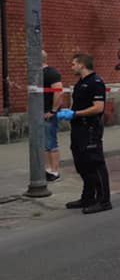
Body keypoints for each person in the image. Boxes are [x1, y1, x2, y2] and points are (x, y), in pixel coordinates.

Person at [57, 53, 111, 214]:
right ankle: (88, 197)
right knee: (82, 164)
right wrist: (70, 112)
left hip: (90, 128)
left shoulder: (96, 82)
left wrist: (76, 114)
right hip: (78, 128)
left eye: (73, 64)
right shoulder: (81, 83)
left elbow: (98, 107)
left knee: (95, 163)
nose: (71, 66)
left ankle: (104, 200)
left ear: (82, 65)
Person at [41, 50, 64, 182]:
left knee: (51, 142)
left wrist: (53, 111)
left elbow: (58, 92)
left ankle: (55, 172)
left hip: (48, 113)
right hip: (39, 113)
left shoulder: (51, 73)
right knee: (44, 143)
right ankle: (47, 169)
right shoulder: (36, 74)